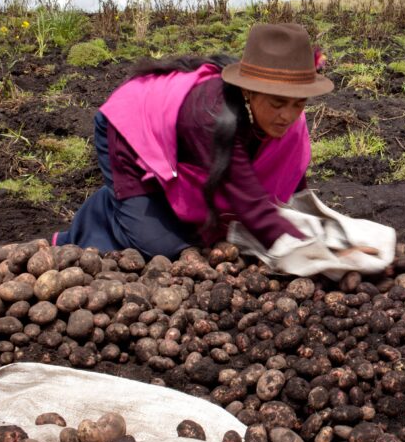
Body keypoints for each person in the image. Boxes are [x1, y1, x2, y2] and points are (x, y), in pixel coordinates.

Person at [53, 22, 346, 264]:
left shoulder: (286, 116)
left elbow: (291, 179)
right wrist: (317, 254)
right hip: (130, 130)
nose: (288, 115)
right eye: (278, 103)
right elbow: (252, 204)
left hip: (190, 145)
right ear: (249, 93)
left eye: (299, 104)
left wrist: (327, 233)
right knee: (161, 249)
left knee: (209, 232)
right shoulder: (210, 115)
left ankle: (145, 204)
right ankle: (104, 210)